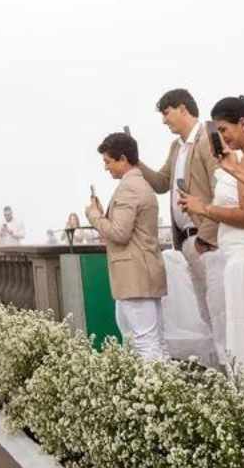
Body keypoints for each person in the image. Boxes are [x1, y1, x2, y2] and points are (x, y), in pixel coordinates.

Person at [138, 88, 225, 362]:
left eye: (166, 113)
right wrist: (134, 160)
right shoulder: (177, 147)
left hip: (207, 240)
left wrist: (206, 238)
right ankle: (225, 370)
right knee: (206, 310)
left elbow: (220, 188)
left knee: (220, 309)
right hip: (187, 241)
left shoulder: (208, 139)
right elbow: (162, 183)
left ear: (183, 109)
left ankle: (236, 372)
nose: (164, 121)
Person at [179, 96, 244, 369]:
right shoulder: (242, 160)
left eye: (224, 130)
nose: (222, 137)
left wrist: (205, 209)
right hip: (236, 256)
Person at [86, 132, 168, 361]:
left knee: (144, 343)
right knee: (150, 340)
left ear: (123, 158)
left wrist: (93, 216)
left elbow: (120, 234)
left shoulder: (129, 188)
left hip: (135, 275)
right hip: (142, 271)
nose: (106, 168)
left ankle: (156, 393)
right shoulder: (138, 184)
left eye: (108, 162)